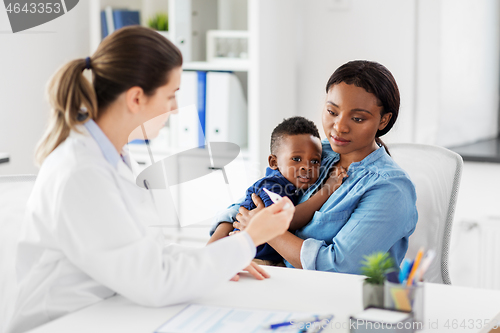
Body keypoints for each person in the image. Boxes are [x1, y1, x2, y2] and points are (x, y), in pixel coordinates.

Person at [6, 26, 295, 333]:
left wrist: (218, 260)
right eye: (170, 95)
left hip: (106, 309)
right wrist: (248, 239)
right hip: (61, 322)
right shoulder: (81, 172)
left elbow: (145, 252)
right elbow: (154, 281)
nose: (174, 109)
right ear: (136, 98)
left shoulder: (112, 156)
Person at [212, 60, 418, 274]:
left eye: (357, 118)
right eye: (332, 111)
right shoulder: (314, 152)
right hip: (273, 274)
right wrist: (214, 248)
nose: (339, 127)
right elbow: (250, 201)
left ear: (383, 121)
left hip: (332, 295)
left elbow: (339, 265)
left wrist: (264, 231)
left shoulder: (391, 189)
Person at [207, 116, 347, 266]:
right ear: (274, 162)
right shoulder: (272, 186)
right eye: (296, 158)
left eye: (314, 161)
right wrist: (326, 190)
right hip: (242, 257)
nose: (307, 166)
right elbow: (288, 221)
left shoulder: (292, 186)